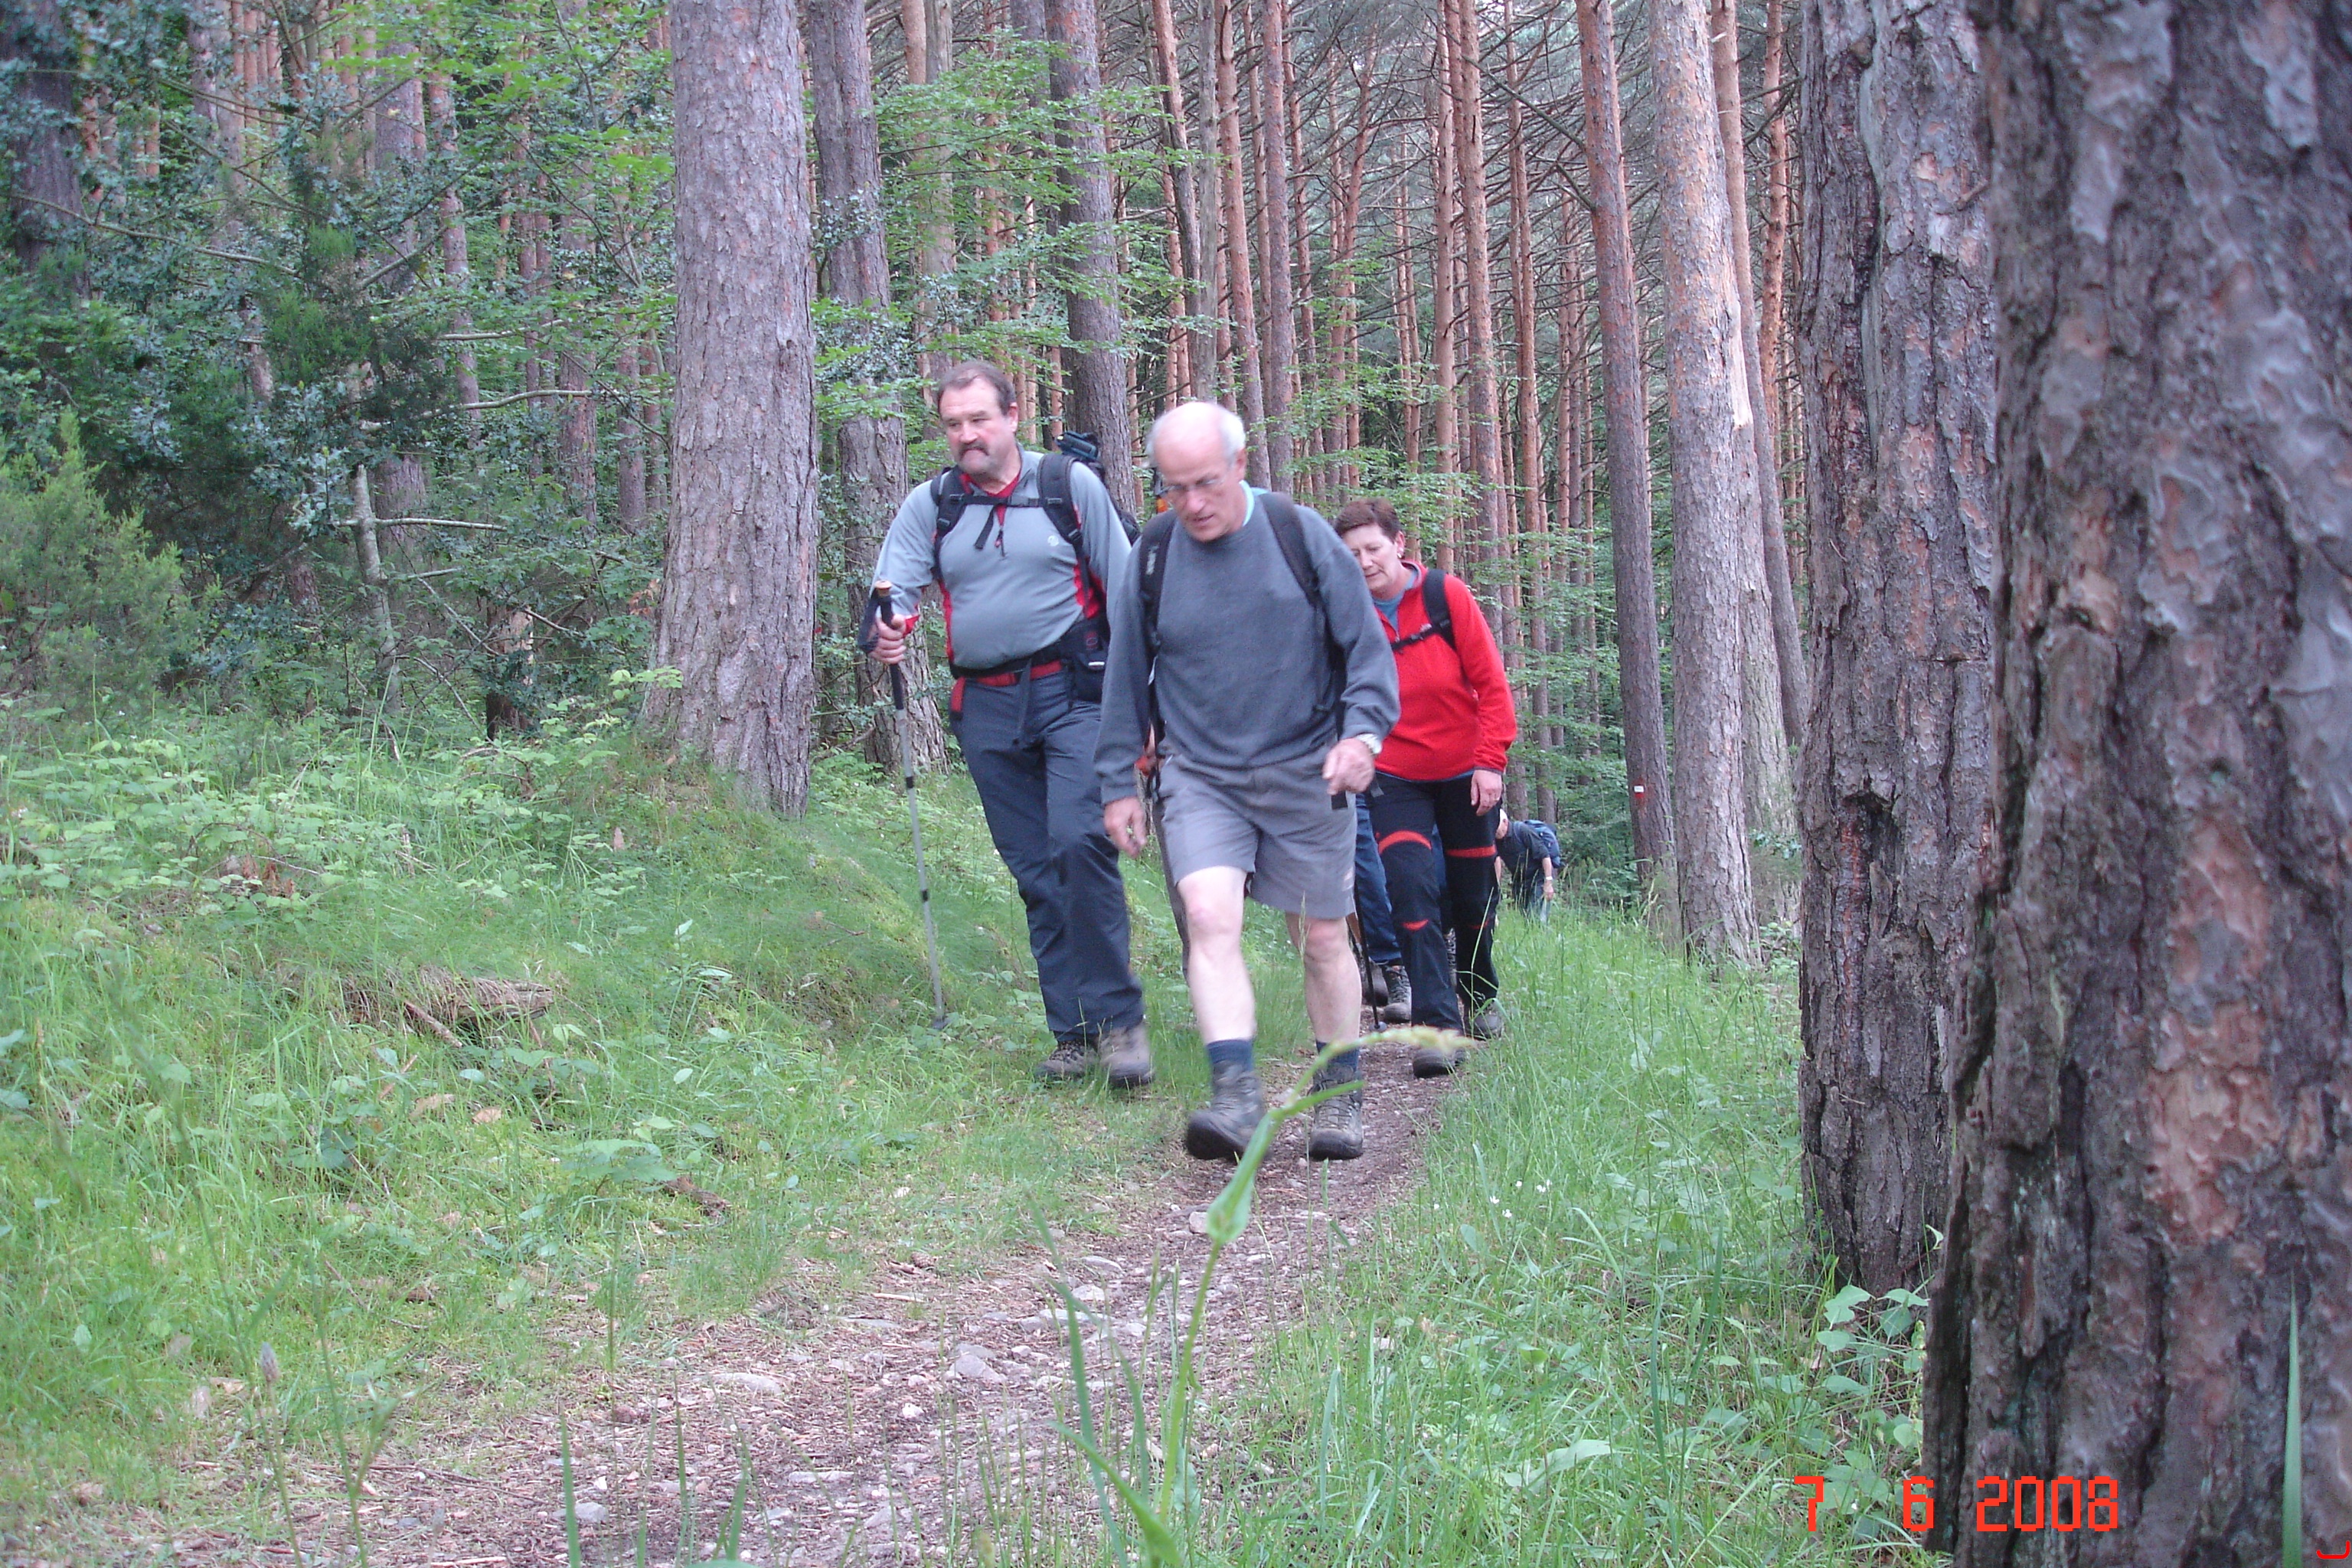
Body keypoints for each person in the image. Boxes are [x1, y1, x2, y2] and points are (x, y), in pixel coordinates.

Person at [1096, 402, 1398, 1162]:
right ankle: (1235, 1096)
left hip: (1308, 767)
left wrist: (1362, 736)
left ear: (1239, 464)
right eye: (1174, 488)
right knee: (1208, 916)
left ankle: (1338, 1093)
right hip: (1201, 772)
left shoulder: (1299, 534)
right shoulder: (1155, 553)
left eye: (1205, 482)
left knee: (1321, 935)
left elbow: (1366, 650)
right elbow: (1125, 671)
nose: (1192, 503)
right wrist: (1117, 781)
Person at [867, 361, 1151, 1089]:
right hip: (987, 706)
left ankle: (1120, 1025)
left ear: (1013, 416)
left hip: (1076, 692)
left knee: (1080, 842)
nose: (967, 435)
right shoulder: (933, 504)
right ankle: (1072, 1034)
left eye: (979, 420)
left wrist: (1144, 706)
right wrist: (888, 628)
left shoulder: (1067, 486)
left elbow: (1128, 599)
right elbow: (890, 596)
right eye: (954, 424)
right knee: (1035, 868)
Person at [1334, 498, 1516, 1073]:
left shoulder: (1445, 596)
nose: (1364, 562)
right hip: (1395, 774)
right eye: (1351, 554)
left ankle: (1479, 993)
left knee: (1472, 897)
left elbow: (1491, 683)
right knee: (1410, 889)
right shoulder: (1346, 612)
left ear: (1399, 545)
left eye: (1373, 549)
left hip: (1466, 772)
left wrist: (1490, 762)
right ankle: (1437, 1027)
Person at [1495, 808, 1560, 920]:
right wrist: (1496, 886)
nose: (1494, 832)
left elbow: (1545, 856)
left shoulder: (1522, 831)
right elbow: (1496, 861)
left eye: (1496, 829)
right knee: (1526, 919)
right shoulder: (1496, 840)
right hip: (1520, 883)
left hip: (1539, 879)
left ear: (1505, 822)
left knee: (1536, 919)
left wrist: (1548, 883)